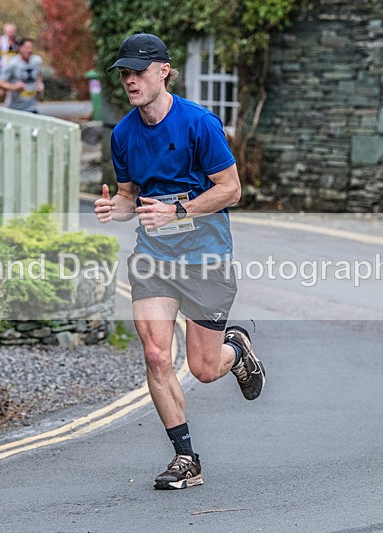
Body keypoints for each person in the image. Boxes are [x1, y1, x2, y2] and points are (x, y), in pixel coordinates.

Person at [94, 33, 265, 489]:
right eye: (125, 73)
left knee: (205, 369)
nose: (131, 81)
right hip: (154, 255)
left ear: (164, 71)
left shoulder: (199, 124)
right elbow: (131, 196)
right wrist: (118, 209)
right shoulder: (124, 134)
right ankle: (186, 458)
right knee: (155, 355)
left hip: (205, 254)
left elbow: (231, 189)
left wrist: (180, 210)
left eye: (139, 72)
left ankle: (237, 349)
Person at [0, 38, 44, 113]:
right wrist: (14, 87)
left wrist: (40, 85)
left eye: (31, 48)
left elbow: (39, 75)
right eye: (27, 48)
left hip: (32, 108)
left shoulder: (37, 61)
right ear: (20, 48)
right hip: (15, 108)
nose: (29, 50)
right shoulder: (12, 63)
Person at [0, 23, 20, 99]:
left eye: (12, 31)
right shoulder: (0, 40)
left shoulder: (18, 40)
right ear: (5, 31)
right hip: (3, 67)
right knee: (2, 87)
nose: (10, 33)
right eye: (9, 31)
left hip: (15, 68)